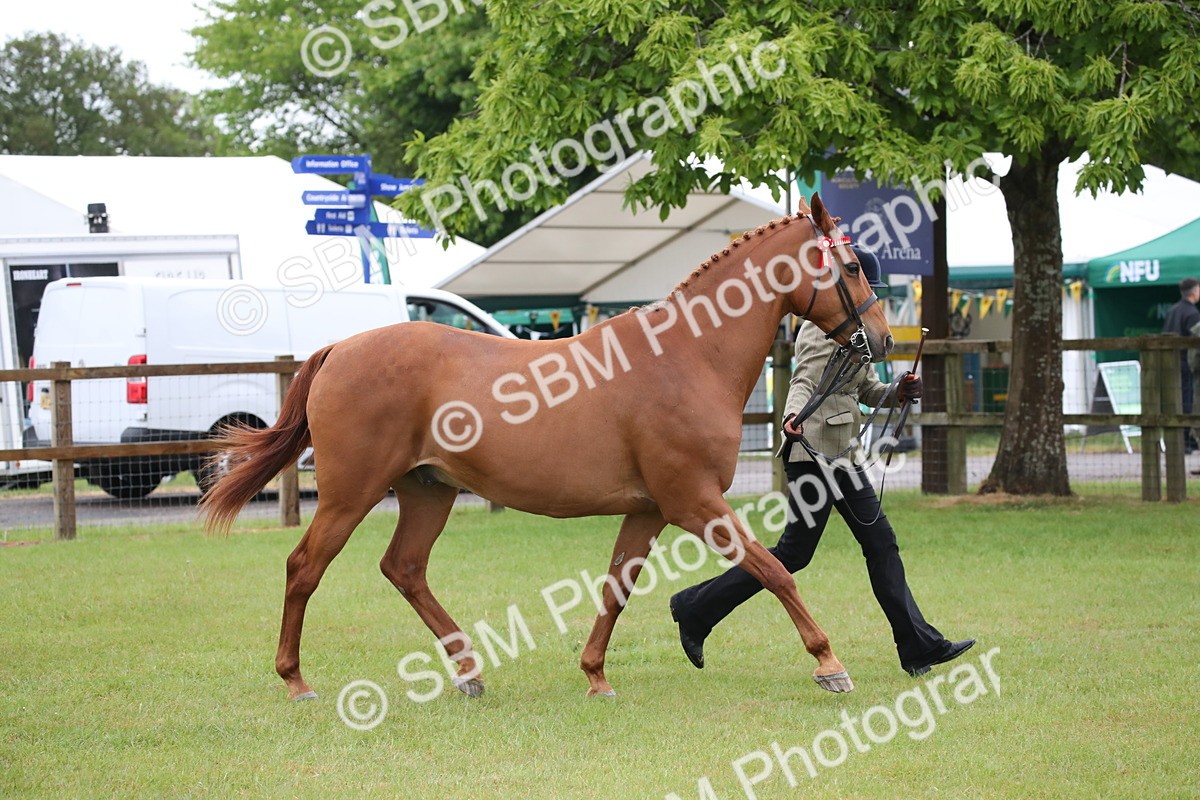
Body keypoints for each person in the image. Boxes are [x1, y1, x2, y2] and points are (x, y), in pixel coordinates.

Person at [669, 247, 974, 678]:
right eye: (866, 288)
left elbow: (864, 390)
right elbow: (805, 380)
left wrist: (898, 392)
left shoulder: (854, 336)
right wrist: (792, 416)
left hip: (841, 453)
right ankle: (694, 608)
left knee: (865, 545)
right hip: (813, 452)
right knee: (810, 550)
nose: (871, 297)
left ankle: (918, 647)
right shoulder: (820, 330)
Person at [1162, 277, 1200, 455]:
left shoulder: (1172, 311)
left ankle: (1176, 440)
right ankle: (1187, 441)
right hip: (1186, 363)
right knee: (1188, 401)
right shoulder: (1192, 314)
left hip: (1170, 363)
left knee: (1173, 401)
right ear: (1194, 291)